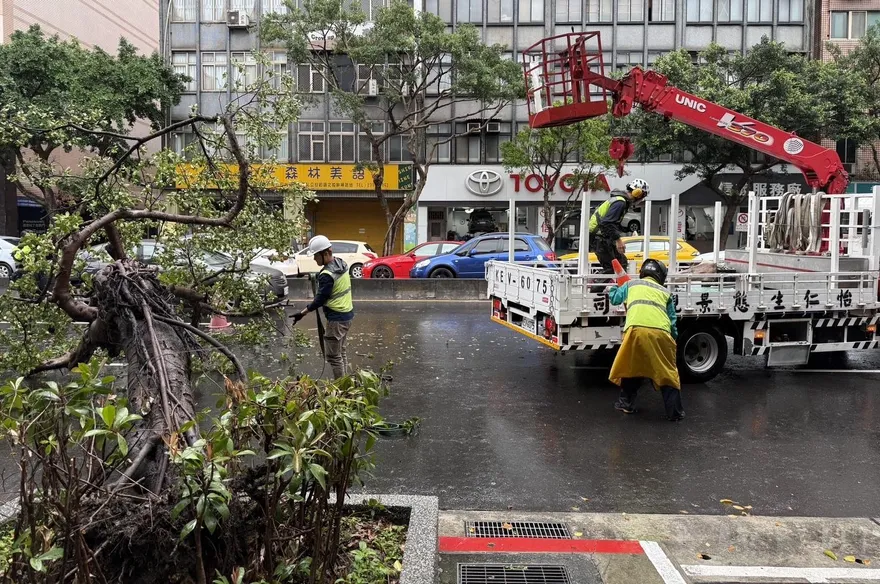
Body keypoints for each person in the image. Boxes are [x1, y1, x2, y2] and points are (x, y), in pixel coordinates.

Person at [607, 258, 685, 421]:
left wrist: (613, 287)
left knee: (631, 366)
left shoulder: (631, 285)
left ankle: (626, 404)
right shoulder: (665, 292)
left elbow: (615, 298)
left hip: (635, 331)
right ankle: (675, 413)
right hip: (661, 333)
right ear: (661, 276)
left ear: (643, 272)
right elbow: (672, 321)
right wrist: (673, 339)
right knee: (667, 372)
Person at [291, 235, 354, 379]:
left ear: (325, 253)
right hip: (347, 315)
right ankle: (345, 384)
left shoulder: (326, 275)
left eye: (316, 256)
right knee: (341, 352)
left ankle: (341, 389)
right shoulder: (341, 263)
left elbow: (319, 300)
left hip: (336, 319)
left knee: (333, 356)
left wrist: (302, 313)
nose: (314, 259)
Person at [588, 179, 650, 275]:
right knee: (611, 268)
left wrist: (625, 229)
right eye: (643, 197)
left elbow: (611, 222)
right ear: (638, 193)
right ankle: (594, 286)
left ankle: (618, 288)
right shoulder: (620, 203)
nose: (641, 200)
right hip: (599, 238)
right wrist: (618, 240)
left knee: (621, 263)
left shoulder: (621, 201)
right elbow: (607, 223)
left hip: (602, 237)